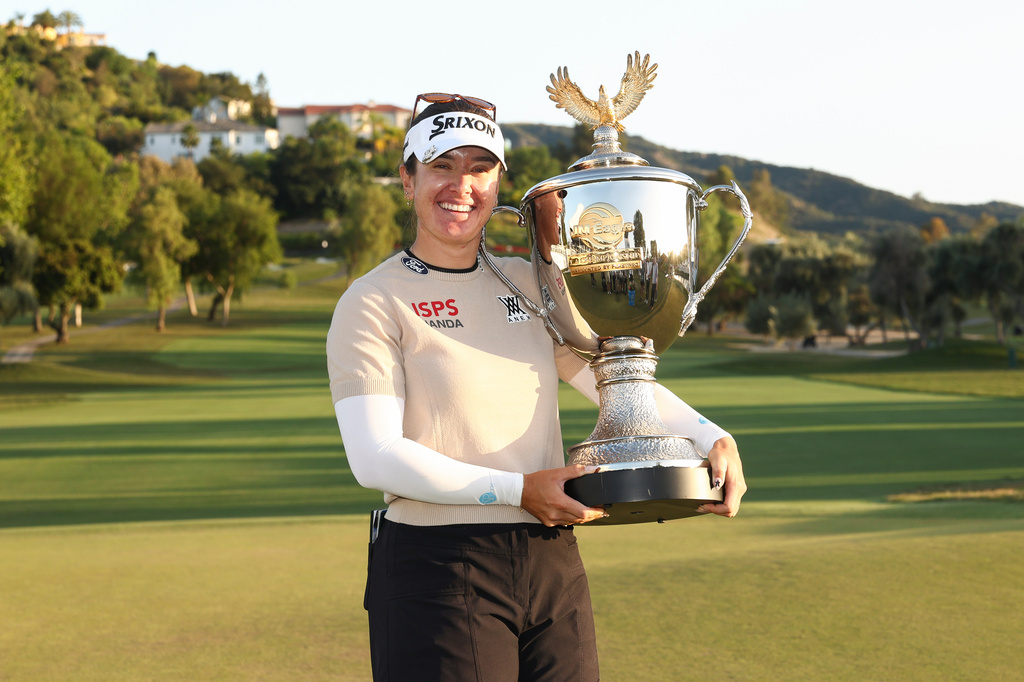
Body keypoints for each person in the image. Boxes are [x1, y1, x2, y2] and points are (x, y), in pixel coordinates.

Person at [327, 93, 746, 681]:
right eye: (442, 165)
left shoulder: (531, 283)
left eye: (480, 168)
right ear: (408, 179)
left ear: (498, 184)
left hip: (550, 558)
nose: (461, 185)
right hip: (437, 564)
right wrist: (518, 489)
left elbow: (611, 379)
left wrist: (710, 437)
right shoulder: (373, 300)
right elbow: (375, 457)